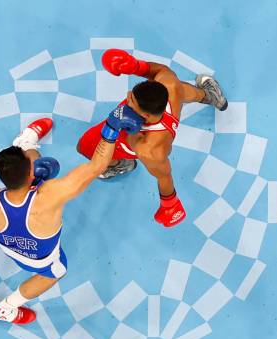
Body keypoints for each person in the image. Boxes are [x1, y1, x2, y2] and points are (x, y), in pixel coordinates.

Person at [0, 106, 143, 325]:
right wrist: (111, 129)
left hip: (8, 245)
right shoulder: (50, 195)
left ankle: (25, 143)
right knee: (56, 272)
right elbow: (97, 167)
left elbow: (23, 185)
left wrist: (33, 180)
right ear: (30, 173)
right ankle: (6, 308)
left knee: (40, 169)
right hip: (42, 262)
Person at [77, 48, 228, 228]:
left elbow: (164, 176)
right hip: (165, 108)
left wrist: (169, 205)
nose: (126, 98)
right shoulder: (168, 85)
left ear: (146, 116)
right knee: (183, 90)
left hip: (124, 145)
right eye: (130, 95)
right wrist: (135, 66)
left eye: (130, 102)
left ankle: (121, 165)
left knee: (84, 147)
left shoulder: (150, 150)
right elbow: (156, 71)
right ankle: (210, 95)